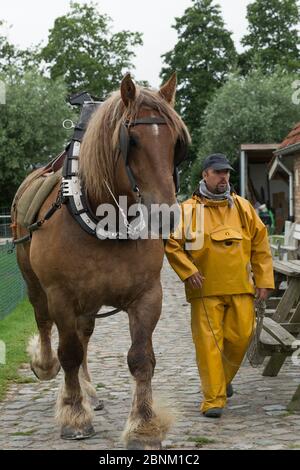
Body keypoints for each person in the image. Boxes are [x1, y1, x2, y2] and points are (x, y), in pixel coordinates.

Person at [165, 153, 274, 418]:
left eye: (226, 172)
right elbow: (172, 244)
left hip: (241, 288)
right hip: (205, 291)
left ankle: (221, 382)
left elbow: (260, 246)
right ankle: (213, 399)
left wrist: (264, 280)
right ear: (205, 175)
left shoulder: (243, 207)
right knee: (208, 346)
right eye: (218, 172)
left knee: (240, 339)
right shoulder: (187, 210)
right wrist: (188, 272)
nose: (224, 177)